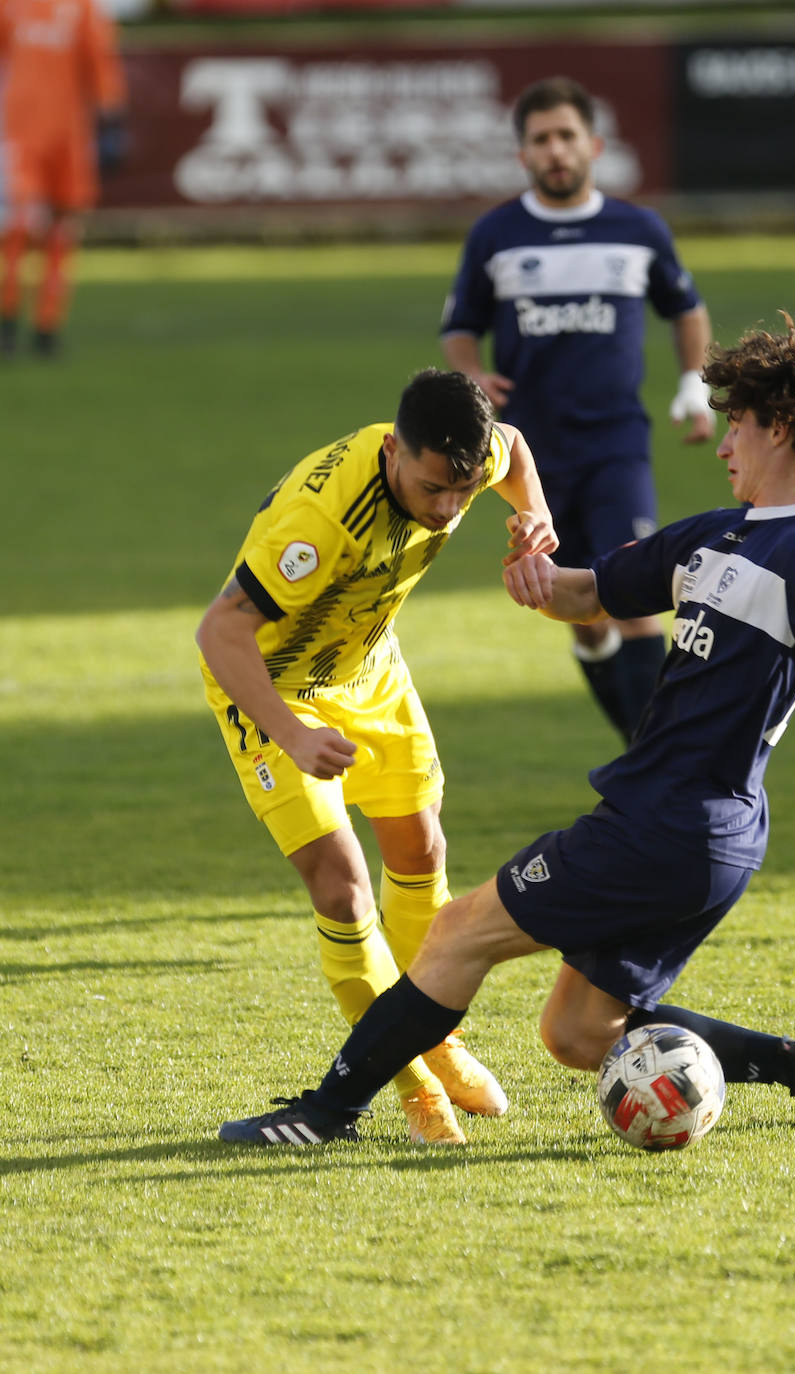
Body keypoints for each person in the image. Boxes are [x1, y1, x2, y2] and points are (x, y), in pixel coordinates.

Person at [215, 316, 795, 1149]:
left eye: (738, 425)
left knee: (456, 932)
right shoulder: (713, 537)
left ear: (785, 431)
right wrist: (534, 569)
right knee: (577, 1036)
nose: (723, 443)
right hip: (706, 840)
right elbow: (587, 594)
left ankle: (327, 1113)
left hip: (666, 824)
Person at [196, 368, 559, 1145]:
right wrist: (291, 735)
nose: (447, 508)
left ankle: (439, 1036)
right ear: (393, 451)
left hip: (367, 670)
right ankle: (408, 1078)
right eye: (432, 489)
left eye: (461, 492)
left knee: (422, 847)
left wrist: (534, 518)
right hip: (273, 686)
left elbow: (518, 450)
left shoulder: (470, 456)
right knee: (340, 883)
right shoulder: (319, 520)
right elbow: (220, 632)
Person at [441, 75, 715, 746]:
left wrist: (691, 383)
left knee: (635, 592)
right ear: (522, 156)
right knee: (581, 615)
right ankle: (643, 752)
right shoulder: (496, 235)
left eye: (566, 137)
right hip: (529, 457)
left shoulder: (637, 229)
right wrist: (471, 374)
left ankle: (658, 760)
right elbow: (459, 326)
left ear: (592, 145)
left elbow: (685, 310)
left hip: (616, 443)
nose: (555, 151)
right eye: (541, 140)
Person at [0, 0, 127, 357]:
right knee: (18, 227)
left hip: (69, 135)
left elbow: (100, 61)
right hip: (18, 132)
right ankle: (7, 322)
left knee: (62, 228)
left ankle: (47, 327)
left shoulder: (82, 7)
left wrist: (112, 120)